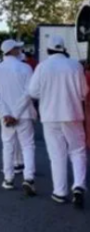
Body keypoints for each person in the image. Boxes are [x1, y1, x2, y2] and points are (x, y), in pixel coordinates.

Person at [28, 36, 88, 208]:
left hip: (50, 116)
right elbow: (84, 92)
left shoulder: (42, 67)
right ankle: (78, 186)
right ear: (63, 48)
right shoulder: (75, 65)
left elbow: (32, 92)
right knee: (77, 151)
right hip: (73, 114)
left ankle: (60, 192)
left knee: (57, 154)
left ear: (48, 50)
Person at [0, 39, 37, 196]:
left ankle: (8, 179)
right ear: (13, 50)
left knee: (8, 146)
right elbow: (29, 93)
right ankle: (28, 177)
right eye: (18, 48)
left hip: (6, 117)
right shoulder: (26, 68)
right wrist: (15, 113)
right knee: (27, 145)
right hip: (24, 114)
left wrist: (6, 113)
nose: (21, 50)